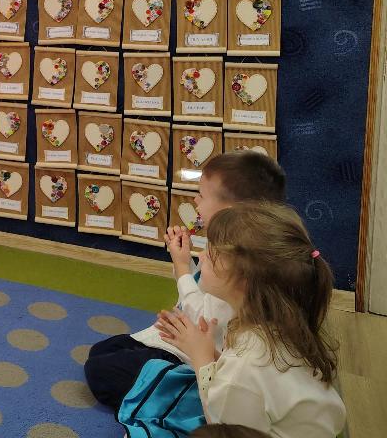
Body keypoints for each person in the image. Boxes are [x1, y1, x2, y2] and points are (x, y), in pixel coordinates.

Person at [84, 151, 286, 412]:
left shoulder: (240, 263)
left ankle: (178, 403)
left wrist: (182, 268)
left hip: (197, 360)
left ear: (229, 211)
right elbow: (200, 289)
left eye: (202, 195)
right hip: (181, 344)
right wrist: (184, 262)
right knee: (102, 351)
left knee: (100, 369)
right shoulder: (225, 244)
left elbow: (204, 321)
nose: (195, 200)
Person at [155, 202, 345, 437]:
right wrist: (209, 353)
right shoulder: (278, 326)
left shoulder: (244, 366)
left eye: (211, 255)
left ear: (244, 282)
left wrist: (200, 359)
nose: (201, 256)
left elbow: (222, 428)